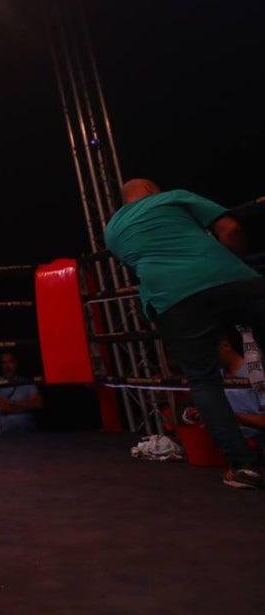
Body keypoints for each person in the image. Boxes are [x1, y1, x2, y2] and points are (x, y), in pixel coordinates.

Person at [104, 178, 265, 489]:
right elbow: (230, 229)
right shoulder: (173, 197)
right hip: (229, 279)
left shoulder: (111, 231)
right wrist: (230, 263)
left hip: (172, 299)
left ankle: (245, 467)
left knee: (204, 382)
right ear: (152, 189)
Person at [216, 327, 265, 451]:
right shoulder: (216, 377)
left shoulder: (256, 374)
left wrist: (231, 416)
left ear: (226, 346)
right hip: (232, 447)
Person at [0, 350, 42, 434]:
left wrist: (11, 402)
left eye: (10, 362)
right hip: (5, 432)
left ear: (16, 363)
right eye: (4, 363)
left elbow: (37, 404)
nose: (7, 366)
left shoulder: (27, 382)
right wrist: (27, 406)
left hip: (28, 431)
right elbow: (2, 408)